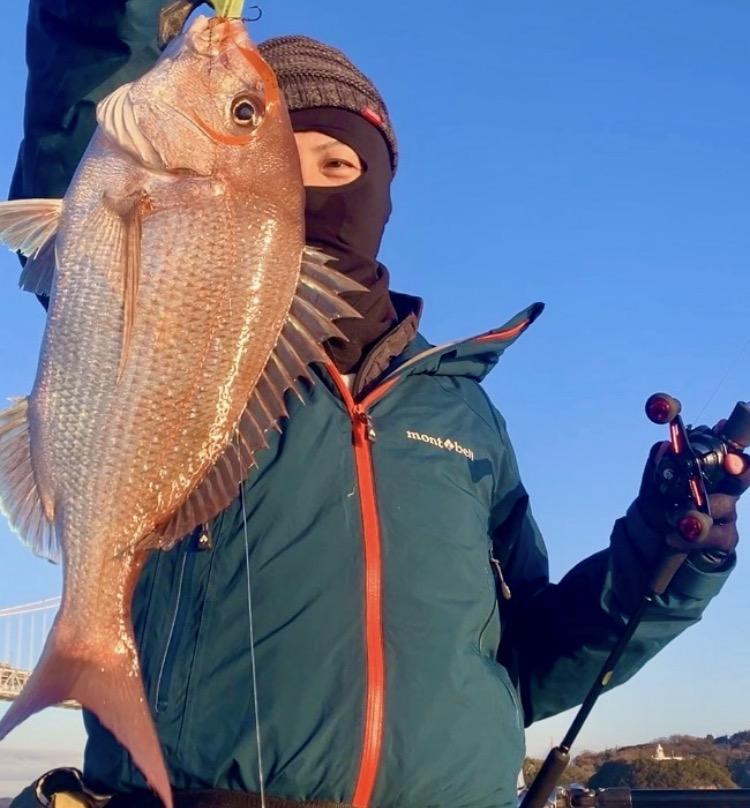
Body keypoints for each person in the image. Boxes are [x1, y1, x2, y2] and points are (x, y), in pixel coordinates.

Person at [7, 2, 747, 807]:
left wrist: (666, 558)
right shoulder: (177, 327)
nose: (308, 187)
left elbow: (525, 662)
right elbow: (86, 99)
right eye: (282, 156)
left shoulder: (465, 416)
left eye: (337, 166)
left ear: (384, 193)